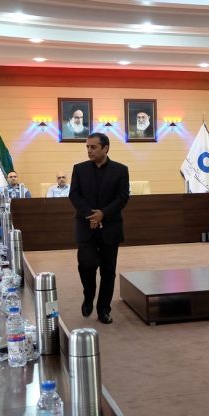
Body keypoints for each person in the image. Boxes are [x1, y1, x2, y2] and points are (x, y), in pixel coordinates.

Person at [71, 132, 130, 324]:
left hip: (110, 226)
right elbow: (74, 195)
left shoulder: (121, 170)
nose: (89, 150)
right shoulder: (79, 169)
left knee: (108, 270)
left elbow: (122, 197)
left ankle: (103, 309)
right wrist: (92, 214)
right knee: (86, 263)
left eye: (93, 147)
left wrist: (103, 214)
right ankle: (89, 295)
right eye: (87, 147)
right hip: (85, 225)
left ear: (105, 148)